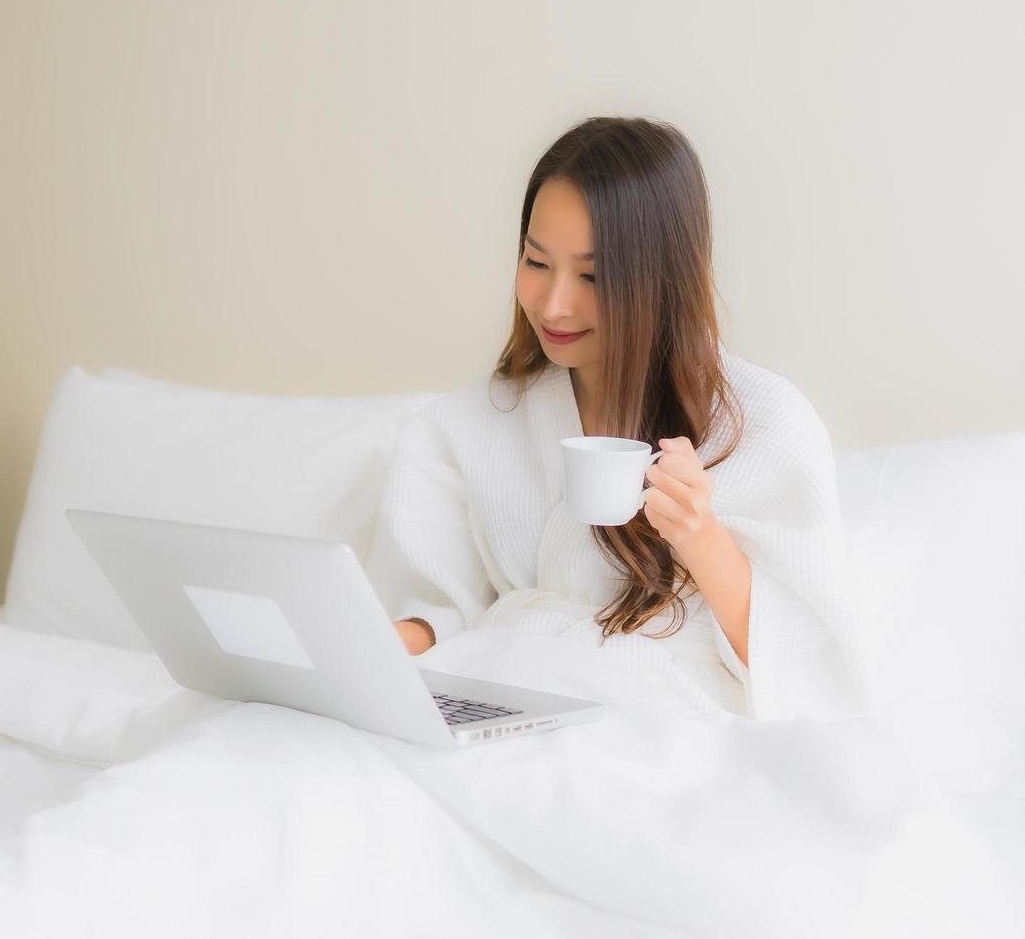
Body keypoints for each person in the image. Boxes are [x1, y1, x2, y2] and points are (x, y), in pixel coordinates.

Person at [363, 116, 867, 722]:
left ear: (663, 278)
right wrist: (366, 643)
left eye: (593, 276)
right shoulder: (466, 425)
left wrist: (700, 537)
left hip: (665, 715)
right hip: (506, 700)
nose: (553, 304)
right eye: (536, 261)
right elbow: (445, 613)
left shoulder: (762, 423)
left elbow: (810, 668)